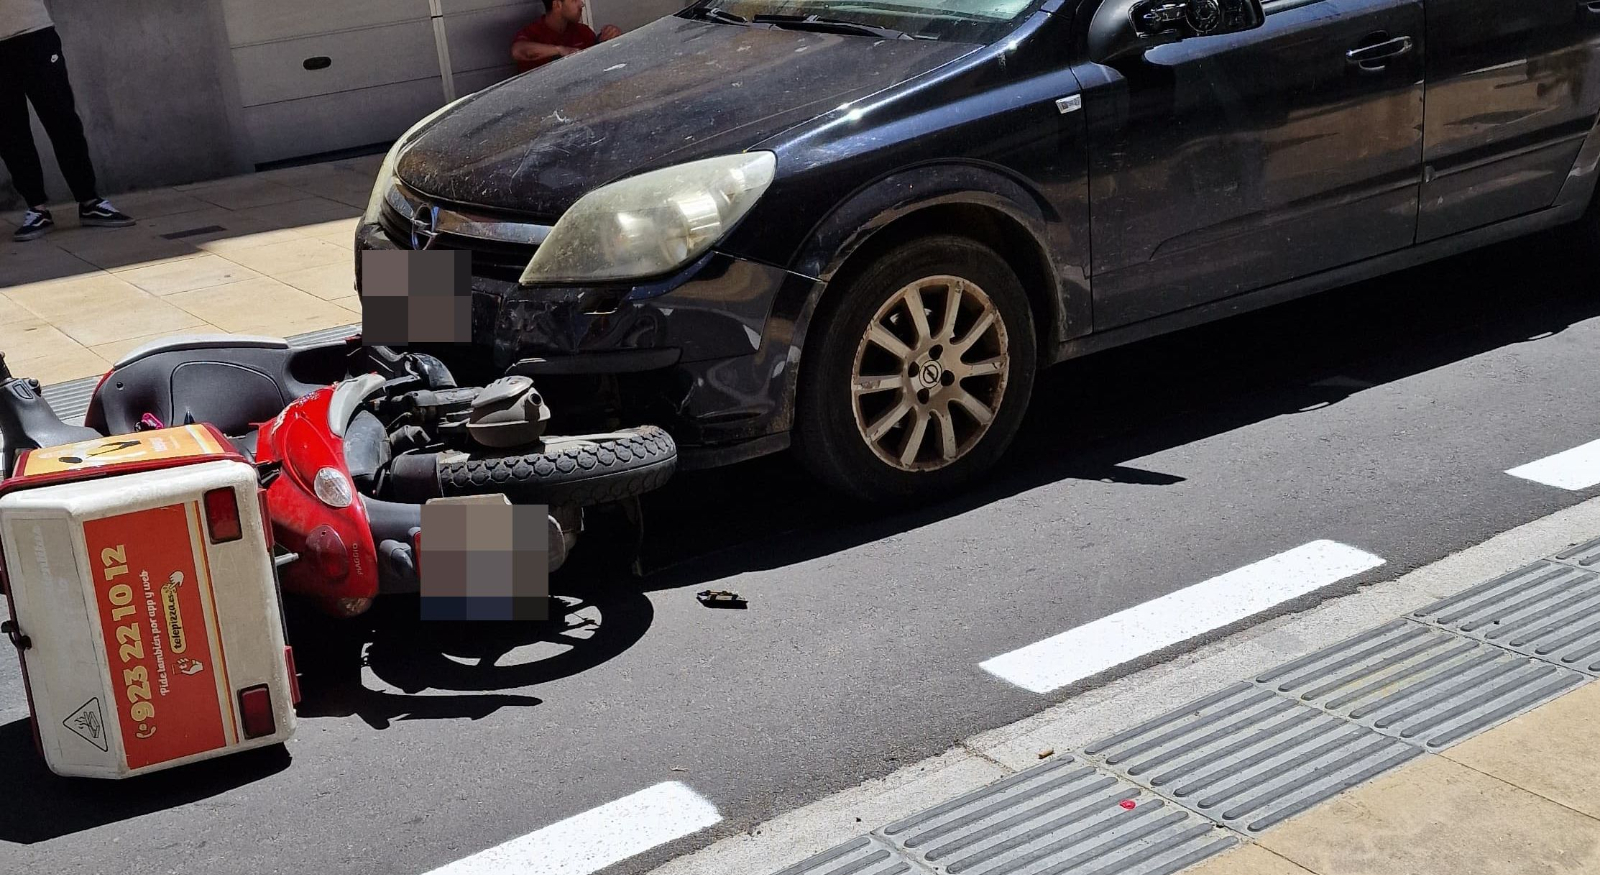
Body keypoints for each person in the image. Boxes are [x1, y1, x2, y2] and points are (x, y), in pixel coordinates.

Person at [0, 0, 134, 242]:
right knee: (10, 131)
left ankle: (89, 200)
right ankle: (36, 208)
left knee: (62, 118)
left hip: (34, 30)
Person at [511, 0, 622, 74]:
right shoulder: (533, 32)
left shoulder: (583, 31)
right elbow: (518, 51)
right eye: (574, 0)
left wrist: (607, 39)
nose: (581, 4)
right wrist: (560, 50)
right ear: (557, 4)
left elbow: (595, 64)